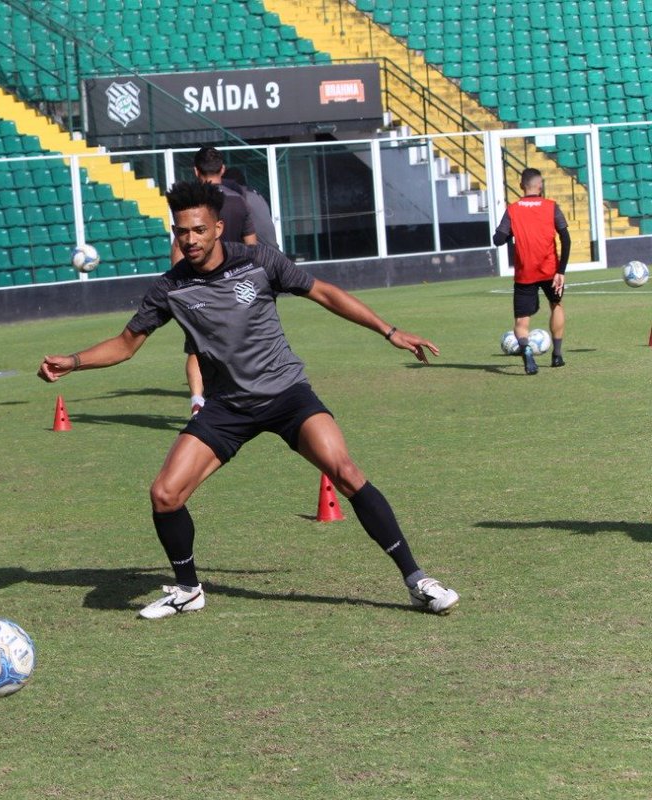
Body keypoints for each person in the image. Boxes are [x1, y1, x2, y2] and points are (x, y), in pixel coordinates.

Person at [39, 181, 459, 620]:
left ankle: (417, 581)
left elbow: (324, 293)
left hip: (287, 394)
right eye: (182, 232)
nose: (191, 239)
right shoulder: (170, 288)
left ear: (218, 228)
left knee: (346, 472)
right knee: (165, 494)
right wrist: (74, 361)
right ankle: (188, 589)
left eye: (199, 230)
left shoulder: (259, 261)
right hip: (228, 407)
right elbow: (126, 345)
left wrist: (390, 332)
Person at [181, 147, 260, 416]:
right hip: (236, 285)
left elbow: (179, 248)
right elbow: (252, 247)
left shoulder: (193, 205)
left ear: (196, 171)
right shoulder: (239, 201)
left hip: (199, 285)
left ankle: (197, 401)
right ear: (222, 169)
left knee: (196, 347)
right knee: (244, 340)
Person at [492, 167, 570, 374]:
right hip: (551, 270)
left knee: (521, 321)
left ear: (521, 186)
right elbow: (566, 238)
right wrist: (561, 271)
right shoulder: (551, 207)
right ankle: (557, 355)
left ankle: (526, 350)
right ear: (540, 185)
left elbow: (498, 240)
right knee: (556, 305)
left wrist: (511, 233)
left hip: (525, 272)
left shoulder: (513, 210)